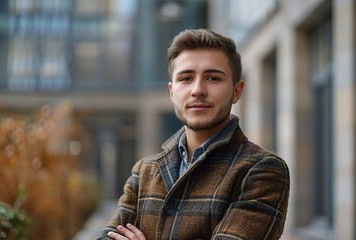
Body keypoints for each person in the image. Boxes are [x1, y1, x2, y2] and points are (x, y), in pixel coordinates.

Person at [97, 29, 290, 240]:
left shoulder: (262, 170)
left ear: (237, 91)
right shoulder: (145, 171)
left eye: (213, 78)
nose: (197, 90)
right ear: (172, 91)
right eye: (186, 78)